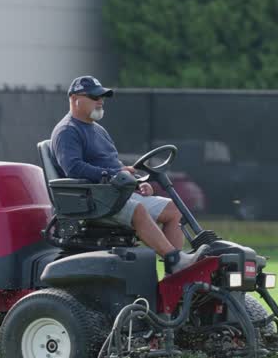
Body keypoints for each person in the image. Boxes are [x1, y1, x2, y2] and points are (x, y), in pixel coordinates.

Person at [50, 75, 206, 274]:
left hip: (114, 194)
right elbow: (73, 168)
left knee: (174, 210)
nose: (100, 101)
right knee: (138, 209)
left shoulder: (98, 130)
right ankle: (175, 259)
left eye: (102, 96)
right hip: (94, 200)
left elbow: (115, 165)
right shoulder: (67, 131)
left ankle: (173, 280)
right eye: (94, 96)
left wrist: (135, 182)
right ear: (74, 99)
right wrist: (113, 174)